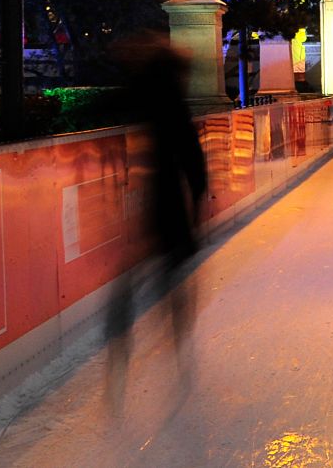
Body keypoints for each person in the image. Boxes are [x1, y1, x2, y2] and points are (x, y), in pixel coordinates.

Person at [105, 32, 209, 404]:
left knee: (132, 276)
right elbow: (192, 158)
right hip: (167, 199)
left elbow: (114, 102)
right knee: (172, 277)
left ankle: (118, 349)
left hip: (140, 197)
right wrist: (198, 203)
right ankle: (178, 339)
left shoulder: (142, 92)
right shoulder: (174, 103)